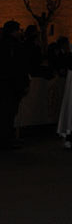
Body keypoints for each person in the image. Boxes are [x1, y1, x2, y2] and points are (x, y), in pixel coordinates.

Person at [0, 21, 29, 149]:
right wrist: (23, 83)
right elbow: (18, 67)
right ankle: (6, 139)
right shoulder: (14, 46)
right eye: (18, 30)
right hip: (10, 85)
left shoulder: (4, 43)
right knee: (8, 113)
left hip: (5, 84)